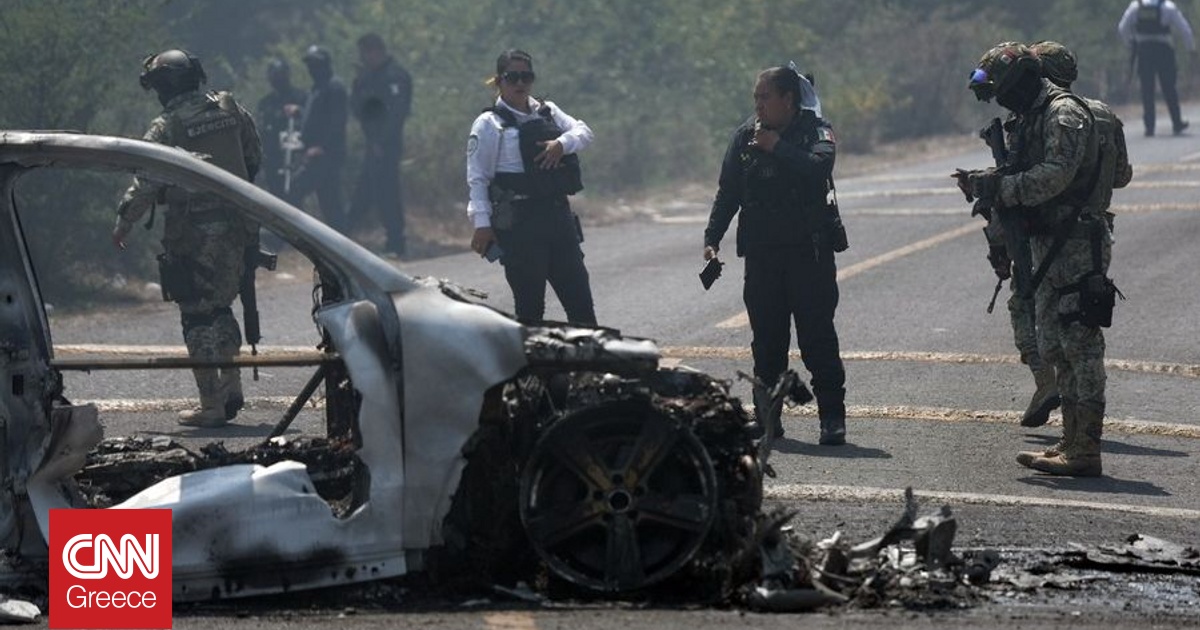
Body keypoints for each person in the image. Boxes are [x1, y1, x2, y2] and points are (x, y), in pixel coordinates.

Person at [963, 42, 1129, 476]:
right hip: (1046, 242)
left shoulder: (1064, 113)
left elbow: (1056, 175)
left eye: (1003, 90)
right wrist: (991, 183)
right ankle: (1072, 441)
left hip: (1075, 242)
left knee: (1081, 345)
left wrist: (1003, 188)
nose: (1000, 100)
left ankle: (1086, 449)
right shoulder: (1033, 116)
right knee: (1056, 346)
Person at [112, 49, 263, 428]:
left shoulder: (166, 127)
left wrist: (123, 221)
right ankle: (231, 387)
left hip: (193, 232)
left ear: (163, 87)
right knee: (223, 306)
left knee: (196, 314)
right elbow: (254, 156)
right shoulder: (230, 109)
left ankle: (211, 404)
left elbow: (146, 182)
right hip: (239, 223)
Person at [703, 64, 847, 445]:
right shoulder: (744, 137)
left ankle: (832, 418)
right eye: (756, 98)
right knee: (767, 342)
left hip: (808, 256)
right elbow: (728, 192)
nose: (759, 105)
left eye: (765, 97)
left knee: (817, 339)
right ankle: (768, 419)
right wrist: (712, 237)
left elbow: (819, 168)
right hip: (763, 258)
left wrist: (777, 148)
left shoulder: (816, 131)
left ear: (788, 99)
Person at [465, 49, 597, 325]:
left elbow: (584, 132)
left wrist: (561, 144)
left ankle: (592, 367)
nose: (520, 84)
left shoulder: (547, 111)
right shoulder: (489, 124)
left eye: (526, 77)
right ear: (499, 81)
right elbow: (478, 177)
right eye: (512, 77)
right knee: (530, 311)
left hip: (558, 219)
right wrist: (482, 223)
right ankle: (533, 368)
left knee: (581, 306)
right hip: (520, 226)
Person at [350, 33, 412, 257]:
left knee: (388, 193)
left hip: (387, 145)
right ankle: (346, 236)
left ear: (375, 51)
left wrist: (381, 141)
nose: (364, 58)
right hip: (372, 144)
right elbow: (359, 109)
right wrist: (358, 83)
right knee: (366, 192)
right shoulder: (368, 77)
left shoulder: (395, 76)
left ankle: (397, 243)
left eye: (365, 53)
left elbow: (397, 113)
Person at [289, 45, 349, 233]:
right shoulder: (317, 88)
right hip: (315, 153)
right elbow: (315, 116)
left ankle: (302, 235)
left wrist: (322, 147)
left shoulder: (334, 86)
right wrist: (299, 112)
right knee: (329, 202)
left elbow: (337, 121)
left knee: (296, 190)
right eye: (309, 64)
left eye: (315, 64)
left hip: (325, 154)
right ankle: (340, 244)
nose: (311, 68)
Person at [1118, 0, 1195, 136]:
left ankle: (1149, 127)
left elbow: (1122, 27)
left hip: (1144, 51)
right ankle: (1177, 122)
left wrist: (1130, 43)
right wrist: (1191, 49)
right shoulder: (1168, 7)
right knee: (1169, 87)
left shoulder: (1136, 6)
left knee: (1147, 89)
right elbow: (1184, 29)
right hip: (1163, 50)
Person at [256, 58, 307, 200]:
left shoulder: (300, 97)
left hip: (293, 156)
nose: (277, 79)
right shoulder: (266, 102)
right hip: (271, 156)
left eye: (280, 75)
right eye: (274, 75)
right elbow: (261, 128)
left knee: (293, 194)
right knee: (274, 195)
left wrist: (299, 111)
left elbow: (312, 121)